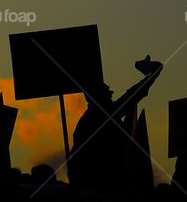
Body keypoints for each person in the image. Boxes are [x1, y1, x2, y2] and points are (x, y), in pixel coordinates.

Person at [70, 56, 163, 192]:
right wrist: (153, 75)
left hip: (95, 182)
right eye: (107, 90)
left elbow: (130, 98)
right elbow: (131, 97)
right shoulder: (100, 116)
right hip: (101, 184)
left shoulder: (94, 117)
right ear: (98, 96)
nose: (111, 92)